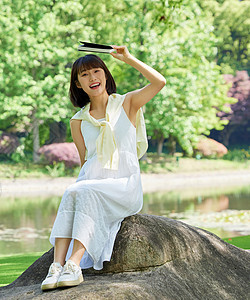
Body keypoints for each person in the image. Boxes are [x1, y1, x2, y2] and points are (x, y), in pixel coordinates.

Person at [41, 45, 166, 291]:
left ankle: (74, 265)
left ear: (105, 75)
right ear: (78, 84)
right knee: (73, 190)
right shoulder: (78, 121)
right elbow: (85, 162)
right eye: (84, 75)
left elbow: (159, 82)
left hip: (124, 185)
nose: (92, 78)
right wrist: (80, 188)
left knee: (84, 191)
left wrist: (128, 59)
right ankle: (56, 266)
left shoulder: (128, 103)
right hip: (93, 183)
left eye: (96, 71)